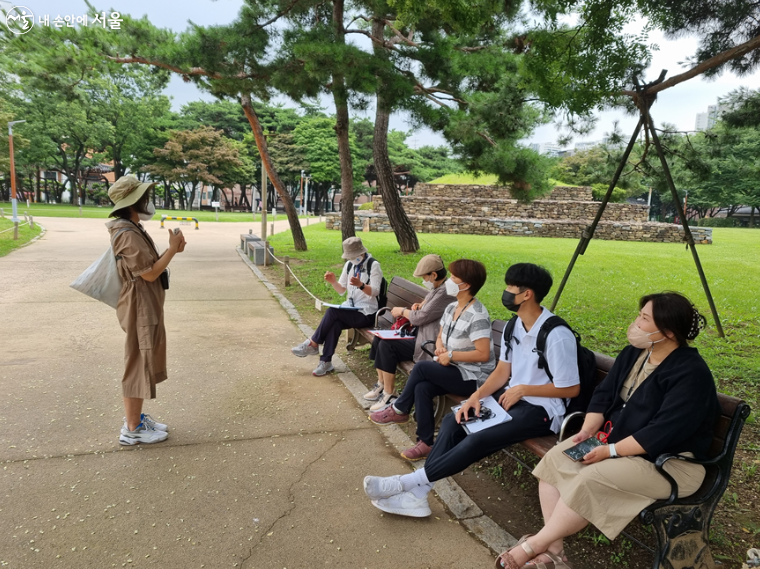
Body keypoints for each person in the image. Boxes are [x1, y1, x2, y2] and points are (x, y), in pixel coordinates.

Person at [493, 292, 718, 569]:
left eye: (644, 319)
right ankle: (554, 550)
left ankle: (534, 545)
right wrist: (588, 430)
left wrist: (609, 451)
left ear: (668, 332)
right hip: (617, 445)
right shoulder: (636, 352)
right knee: (556, 458)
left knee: (591, 478)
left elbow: (662, 432)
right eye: (640, 314)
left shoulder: (691, 374)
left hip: (670, 463)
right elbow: (603, 394)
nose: (636, 323)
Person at [363, 262, 581, 517]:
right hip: (510, 397)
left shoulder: (556, 334)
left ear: (527, 294)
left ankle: (405, 484)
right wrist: (476, 397)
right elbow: (502, 371)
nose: (506, 291)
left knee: (478, 437)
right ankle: (419, 495)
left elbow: (571, 389)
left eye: (510, 287)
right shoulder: (515, 326)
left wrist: (521, 390)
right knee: (452, 421)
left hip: (543, 410)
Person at [368, 259, 496, 462]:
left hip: (473, 376)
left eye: (454, 278)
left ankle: (399, 409)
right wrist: (440, 346)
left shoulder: (478, 315)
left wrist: (452, 355)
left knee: (421, 369)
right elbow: (440, 335)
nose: (450, 281)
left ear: (467, 285)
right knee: (422, 388)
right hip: (452, 368)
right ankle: (426, 443)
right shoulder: (452, 307)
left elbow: (483, 354)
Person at [106, 175, 186, 445]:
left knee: (142, 358)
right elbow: (149, 274)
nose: (148, 201)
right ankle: (132, 429)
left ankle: (136, 419)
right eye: (144, 196)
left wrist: (172, 249)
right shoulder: (127, 233)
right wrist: (172, 251)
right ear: (133, 201)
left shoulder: (132, 227)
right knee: (137, 361)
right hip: (140, 303)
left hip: (145, 301)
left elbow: (149, 267)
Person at [364, 254, 455, 412]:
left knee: (387, 345)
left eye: (424, 277)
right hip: (420, 335)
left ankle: (389, 394)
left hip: (429, 343)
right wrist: (419, 305)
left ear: (433, 275)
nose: (423, 281)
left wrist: (403, 311)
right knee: (380, 339)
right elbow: (426, 309)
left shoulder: (444, 292)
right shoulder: (438, 288)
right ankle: (382, 384)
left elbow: (421, 318)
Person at [291, 237, 383, 377]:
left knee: (332, 312)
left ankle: (313, 343)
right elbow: (341, 291)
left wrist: (361, 285)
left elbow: (375, 291)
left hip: (367, 313)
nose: (351, 259)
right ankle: (326, 362)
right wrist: (333, 282)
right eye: (349, 257)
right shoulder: (349, 265)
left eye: (353, 256)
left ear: (361, 253)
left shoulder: (373, 265)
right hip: (351, 309)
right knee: (335, 324)